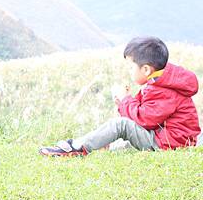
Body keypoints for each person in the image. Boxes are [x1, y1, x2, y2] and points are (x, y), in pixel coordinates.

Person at [39, 36, 200, 157]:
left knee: (120, 125)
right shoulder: (164, 80)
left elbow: (145, 120)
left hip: (171, 143)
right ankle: (101, 145)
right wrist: (126, 101)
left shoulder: (164, 90)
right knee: (123, 141)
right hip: (169, 138)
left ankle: (75, 148)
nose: (129, 71)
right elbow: (149, 112)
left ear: (145, 69)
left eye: (131, 67)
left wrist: (125, 100)